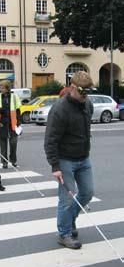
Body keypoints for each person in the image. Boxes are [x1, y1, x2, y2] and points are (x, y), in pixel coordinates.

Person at [44, 71, 94, 249]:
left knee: (87, 192)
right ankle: (64, 234)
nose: (86, 96)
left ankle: (70, 219)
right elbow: (50, 140)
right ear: (72, 88)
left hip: (83, 157)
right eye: (83, 92)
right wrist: (55, 166)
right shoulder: (59, 109)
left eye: (88, 92)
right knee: (67, 197)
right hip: (65, 159)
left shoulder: (87, 104)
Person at [0, 80, 22, 168]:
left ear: (7, 88)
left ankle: (13, 160)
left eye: (2, 87)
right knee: (3, 144)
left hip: (13, 123)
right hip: (1, 123)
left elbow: (18, 111)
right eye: (0, 87)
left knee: (13, 143)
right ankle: (4, 162)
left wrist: (18, 123)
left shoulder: (14, 97)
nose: (0, 89)